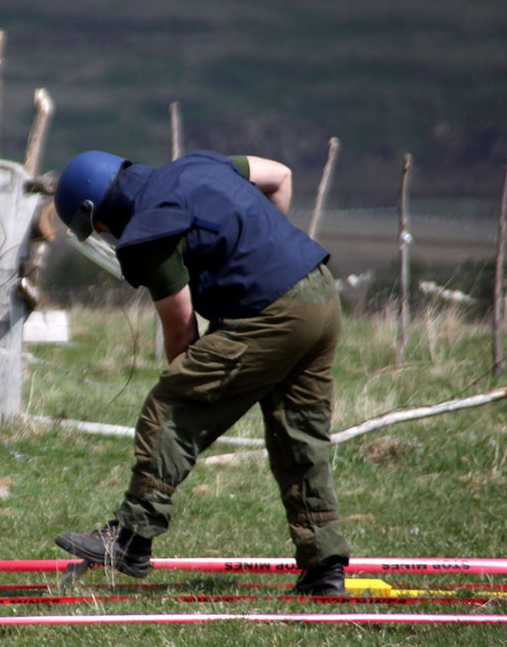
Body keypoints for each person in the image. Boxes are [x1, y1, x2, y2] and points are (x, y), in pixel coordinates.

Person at [52, 149, 350, 596]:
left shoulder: (148, 232)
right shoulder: (200, 164)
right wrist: (268, 255)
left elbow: (180, 330)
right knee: (299, 434)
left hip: (276, 312)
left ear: (96, 215)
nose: (104, 235)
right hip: (320, 290)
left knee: (171, 403)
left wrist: (194, 394)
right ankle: (324, 569)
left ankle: (132, 538)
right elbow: (281, 176)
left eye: (96, 228)